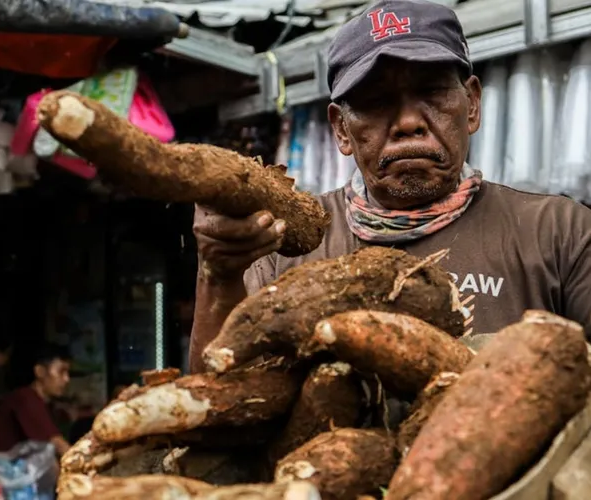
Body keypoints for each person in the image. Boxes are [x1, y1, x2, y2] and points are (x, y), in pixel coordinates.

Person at [189, 0, 591, 373]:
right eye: (376, 101)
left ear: (471, 104)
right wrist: (217, 276)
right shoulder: (281, 246)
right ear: (341, 129)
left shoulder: (559, 232)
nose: (408, 123)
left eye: (431, 92)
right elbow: (218, 396)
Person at [0, 344, 72, 457]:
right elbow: (58, 444)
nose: (67, 379)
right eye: (61, 372)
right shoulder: (25, 399)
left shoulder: (46, 404)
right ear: (40, 371)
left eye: (68, 373)